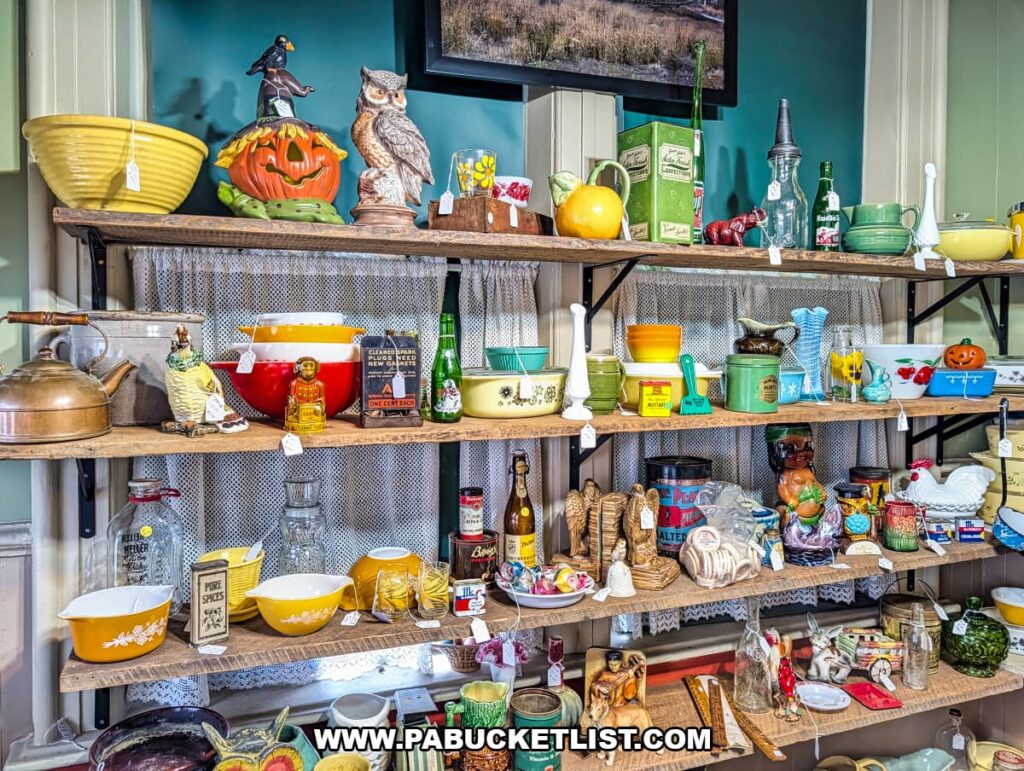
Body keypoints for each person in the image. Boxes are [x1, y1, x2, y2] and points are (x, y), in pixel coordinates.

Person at [285, 356, 327, 433]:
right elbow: (291, 400)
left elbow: (323, 400)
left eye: (311, 366)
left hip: (314, 414)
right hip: (298, 414)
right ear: (298, 368)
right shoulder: (294, 384)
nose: (308, 369)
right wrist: (294, 404)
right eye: (305, 366)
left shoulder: (319, 384)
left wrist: (319, 403)